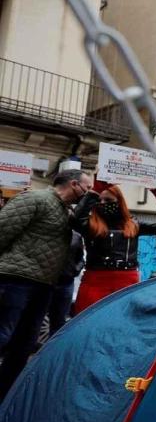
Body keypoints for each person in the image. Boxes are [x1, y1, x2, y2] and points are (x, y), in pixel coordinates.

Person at [0, 169, 93, 400]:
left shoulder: (67, 211)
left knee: (25, 343)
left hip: (44, 285)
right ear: (74, 184)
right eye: (87, 188)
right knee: (3, 335)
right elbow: (3, 231)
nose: (89, 192)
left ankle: (5, 394)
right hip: (15, 280)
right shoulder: (35, 199)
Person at [71, 180, 156, 313]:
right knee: (85, 320)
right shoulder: (90, 225)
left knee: (121, 321)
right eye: (99, 200)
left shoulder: (133, 224)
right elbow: (74, 220)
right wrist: (93, 192)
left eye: (108, 200)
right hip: (95, 279)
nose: (103, 204)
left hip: (126, 281)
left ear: (119, 201)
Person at [49, 230, 84, 334]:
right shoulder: (47, 232)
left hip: (66, 281)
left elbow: (80, 258)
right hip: (46, 281)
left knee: (59, 321)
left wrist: (74, 270)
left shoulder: (76, 236)